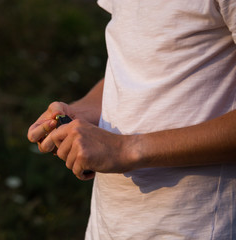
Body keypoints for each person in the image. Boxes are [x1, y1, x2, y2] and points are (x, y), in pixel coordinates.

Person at [27, 0, 236, 239]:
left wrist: (126, 149)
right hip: (108, 224)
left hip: (196, 225)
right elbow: (136, 61)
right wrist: (80, 114)